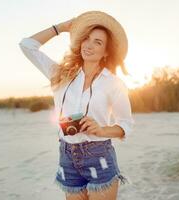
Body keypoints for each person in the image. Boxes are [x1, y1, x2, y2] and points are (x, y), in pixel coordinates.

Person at [19, 10, 134, 200]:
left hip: (99, 154)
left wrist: (102, 130)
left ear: (106, 52)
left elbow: (126, 124)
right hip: (67, 156)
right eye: (86, 38)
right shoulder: (60, 75)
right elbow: (27, 46)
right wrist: (61, 28)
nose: (89, 45)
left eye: (98, 42)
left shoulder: (113, 83)